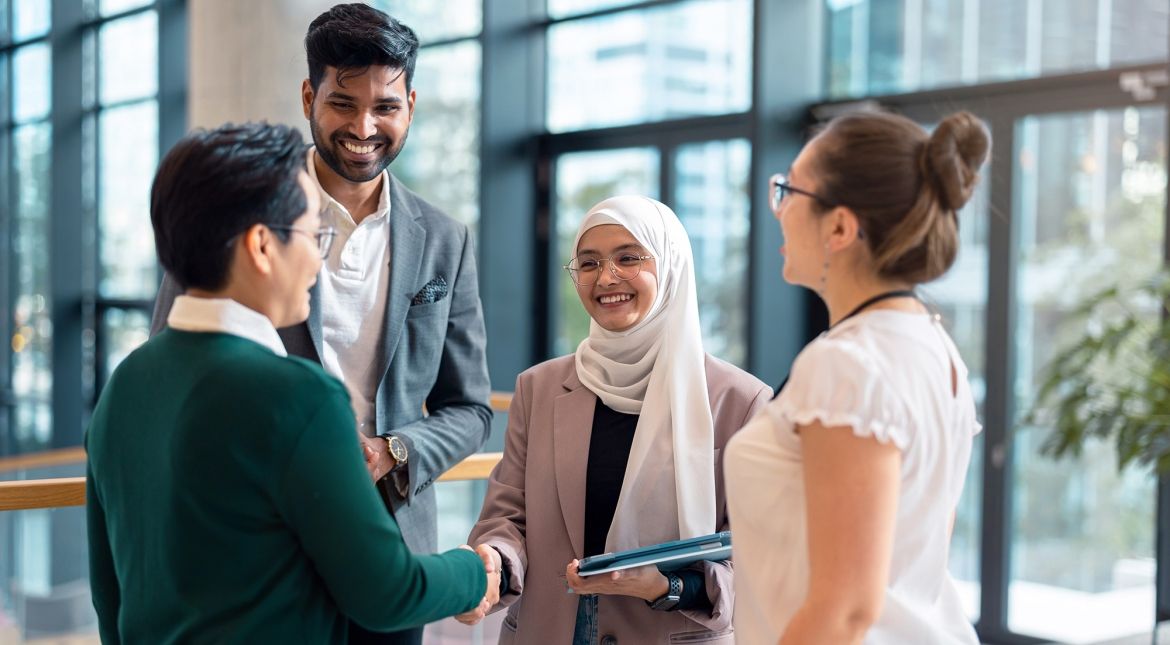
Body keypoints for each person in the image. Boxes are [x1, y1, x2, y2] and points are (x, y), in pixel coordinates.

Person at [149, 7, 492, 643]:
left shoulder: (446, 241)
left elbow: (469, 407)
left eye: (386, 106)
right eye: (343, 103)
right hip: (258, 539)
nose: (364, 127)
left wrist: (394, 451)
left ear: (410, 105)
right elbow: (175, 363)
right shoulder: (235, 215)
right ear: (310, 96)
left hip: (393, 543)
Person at [724, 110, 990, 644]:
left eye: (789, 191)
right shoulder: (934, 347)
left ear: (841, 227)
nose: (777, 210)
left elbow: (844, 610)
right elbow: (916, 557)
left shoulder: (848, 364)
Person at [460, 196, 771, 644]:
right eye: (588, 263)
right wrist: (493, 559)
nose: (606, 278)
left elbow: (759, 561)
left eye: (628, 257)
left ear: (669, 266)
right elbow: (507, 517)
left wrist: (666, 585)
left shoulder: (740, 401)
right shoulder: (540, 388)